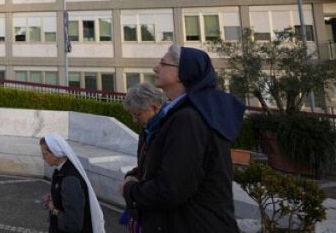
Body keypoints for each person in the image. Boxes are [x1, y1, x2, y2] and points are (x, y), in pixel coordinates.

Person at [121, 45, 244, 233]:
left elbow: (171, 188)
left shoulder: (188, 119)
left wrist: (130, 190)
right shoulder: (182, 115)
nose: (155, 68)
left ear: (181, 73)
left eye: (162, 63)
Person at [120, 83, 167, 232]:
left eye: (138, 114)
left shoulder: (170, 129)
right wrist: (133, 175)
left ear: (154, 107)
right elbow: (148, 163)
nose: (134, 120)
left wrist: (131, 188)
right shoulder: (147, 129)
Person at [39, 133, 105, 233]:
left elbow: (73, 224)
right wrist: (55, 196)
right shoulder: (61, 170)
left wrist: (53, 209)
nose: (43, 158)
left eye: (45, 154)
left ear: (56, 153)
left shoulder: (70, 179)